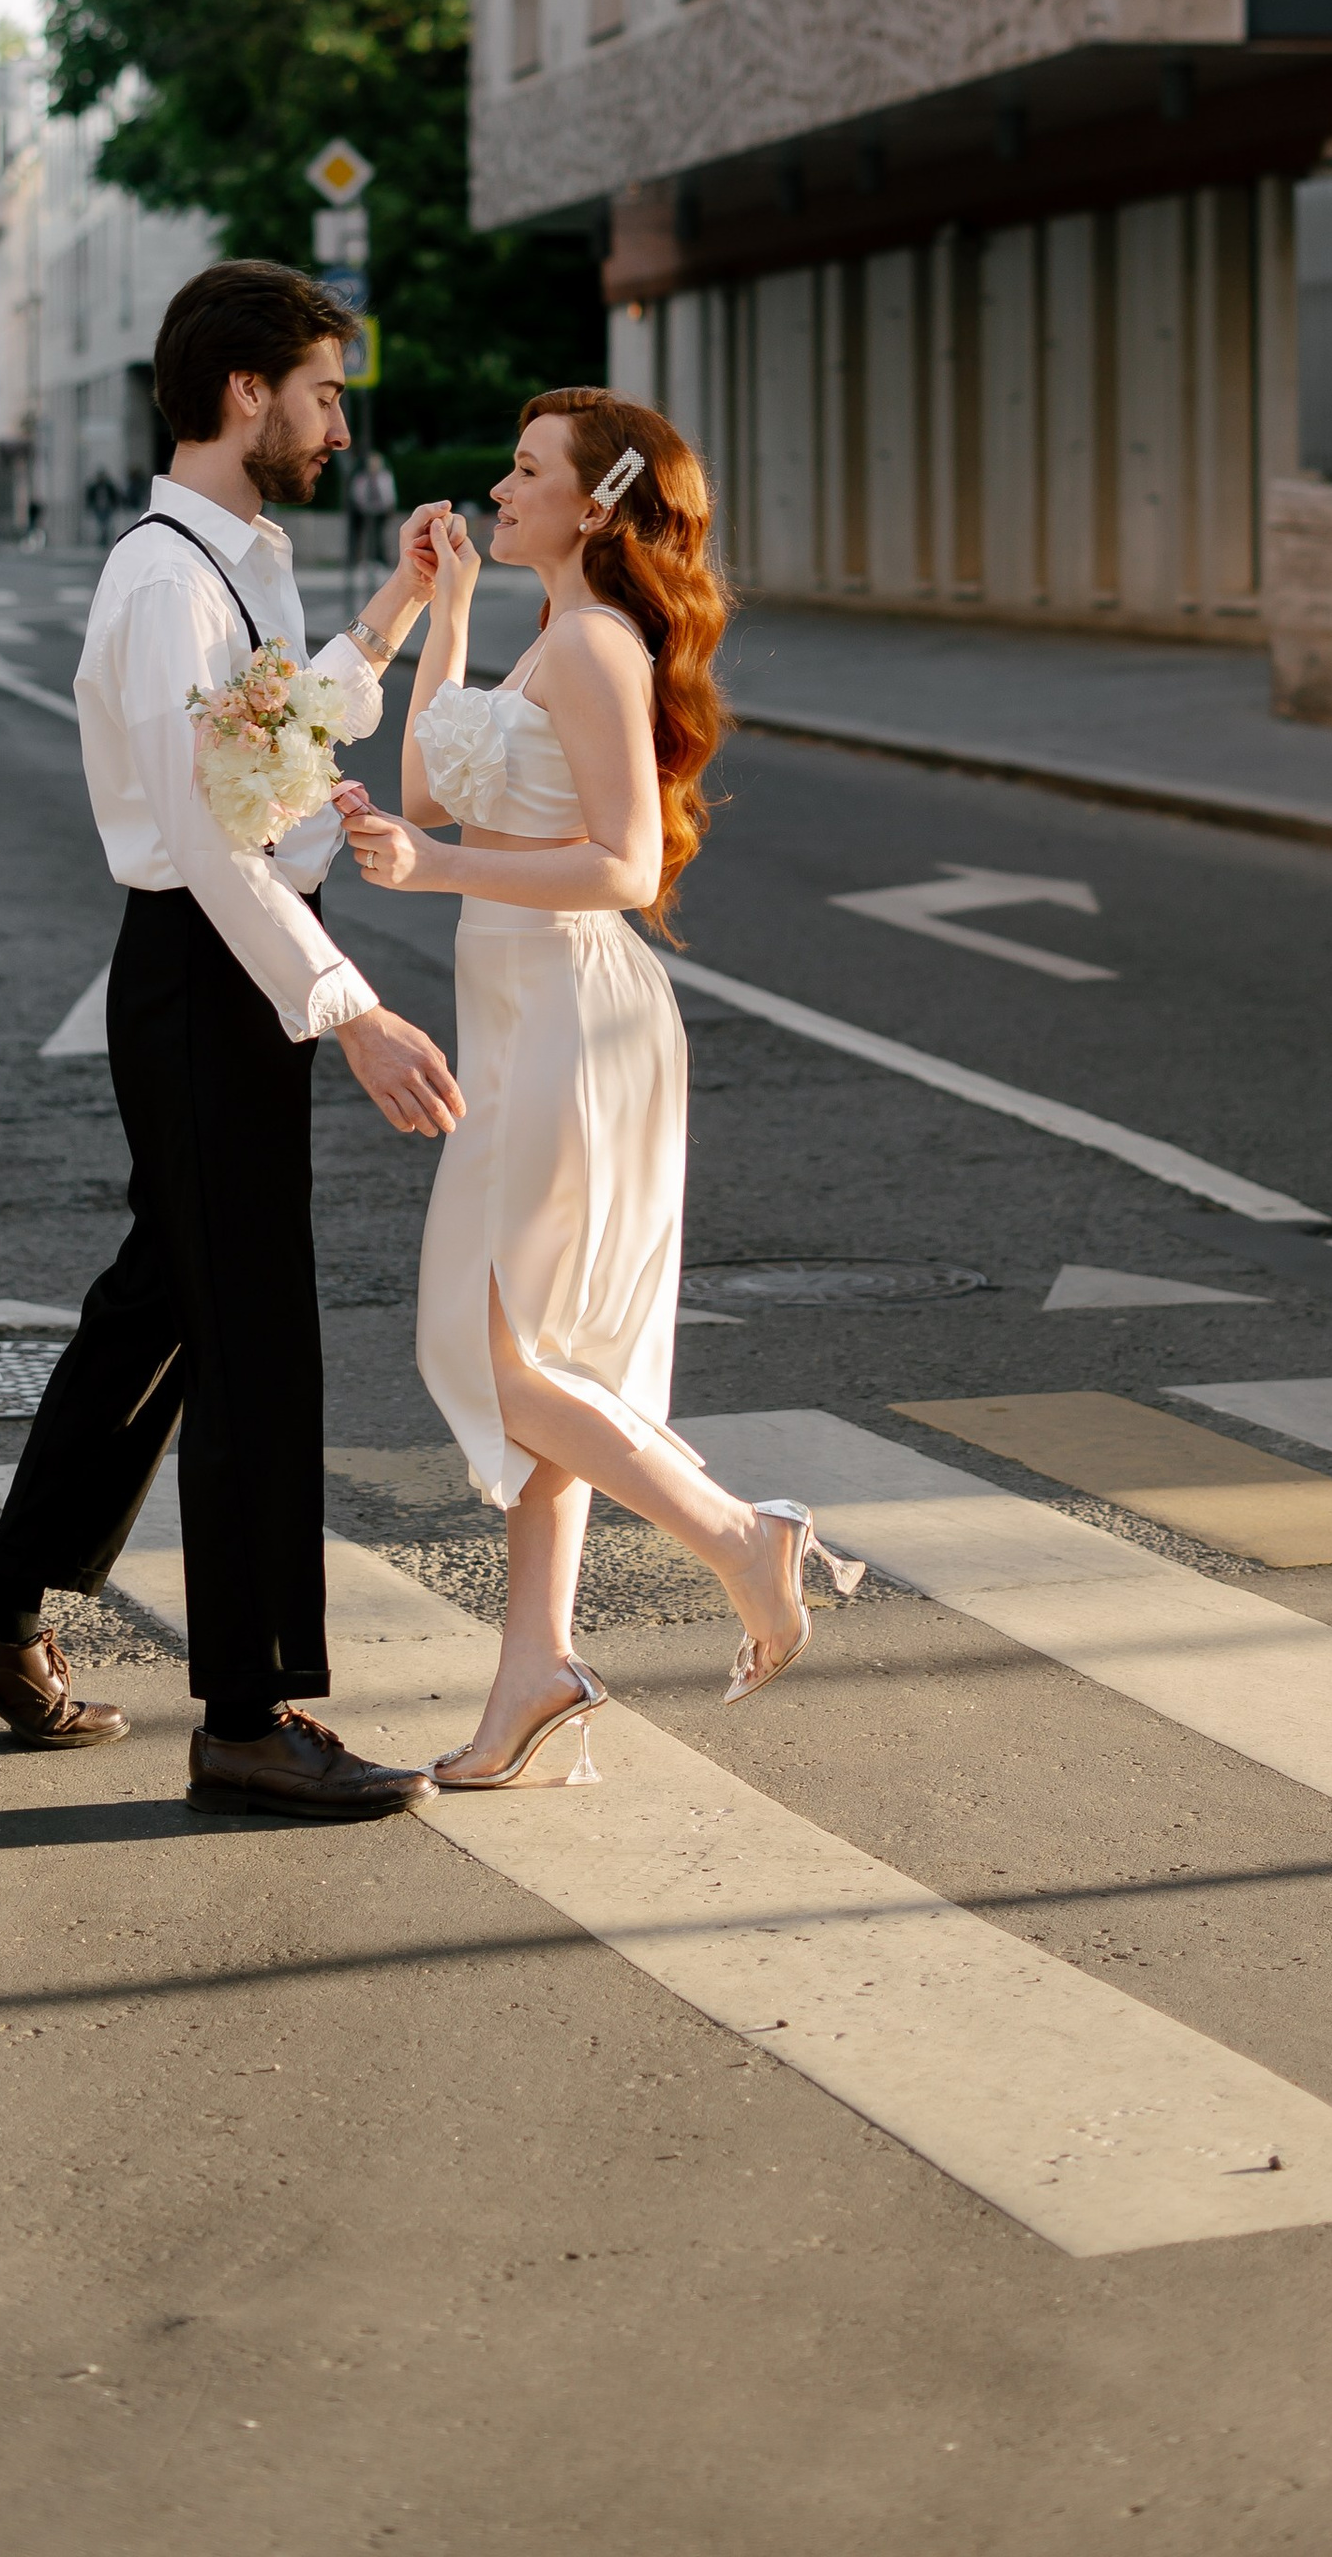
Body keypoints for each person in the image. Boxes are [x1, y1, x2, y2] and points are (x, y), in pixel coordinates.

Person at [0, 259, 467, 1820]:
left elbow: (276, 749)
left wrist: (402, 607)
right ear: (247, 394)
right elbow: (212, 841)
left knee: (162, 1306)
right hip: (208, 973)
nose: (339, 422)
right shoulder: (165, 583)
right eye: (323, 391)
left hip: (222, 972)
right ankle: (249, 1710)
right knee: (253, 1343)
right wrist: (347, 1008)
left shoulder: (236, 563)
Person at [336, 389, 862, 1793]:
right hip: (526, 1016)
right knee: (544, 1365)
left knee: (506, 1364)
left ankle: (743, 1538)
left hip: (573, 1017)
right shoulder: (539, 644)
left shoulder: (595, 647)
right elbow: (433, 792)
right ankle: (533, 1674)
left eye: (527, 472)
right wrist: (443, 611)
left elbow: (627, 868)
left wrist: (433, 873)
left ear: (597, 507)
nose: (499, 489)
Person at [343, 444, 399, 602]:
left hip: (380, 511)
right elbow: (357, 494)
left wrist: (387, 507)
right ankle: (359, 559)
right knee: (361, 536)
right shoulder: (362, 478)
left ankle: (380, 559)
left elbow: (389, 493)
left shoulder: (384, 476)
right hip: (364, 511)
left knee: (379, 536)